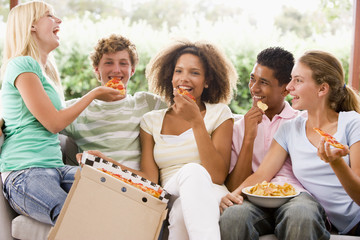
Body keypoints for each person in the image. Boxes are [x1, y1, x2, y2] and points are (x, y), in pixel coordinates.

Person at [81, 39, 238, 239]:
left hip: (212, 191)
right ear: (170, 77)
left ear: (207, 81)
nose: (184, 79)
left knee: (182, 210)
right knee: (190, 174)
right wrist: (108, 163)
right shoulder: (151, 121)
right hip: (170, 191)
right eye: (178, 71)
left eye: (195, 73)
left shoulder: (220, 114)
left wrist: (197, 122)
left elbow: (217, 176)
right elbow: (149, 179)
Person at [0, 1, 123, 226]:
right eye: (50, 16)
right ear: (31, 26)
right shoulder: (21, 65)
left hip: (55, 167)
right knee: (77, 221)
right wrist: (94, 94)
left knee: (121, 197)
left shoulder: (44, 73)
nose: (59, 21)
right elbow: (54, 123)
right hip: (26, 173)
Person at [221, 50, 360, 237]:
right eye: (291, 79)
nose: (289, 87)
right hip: (329, 219)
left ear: (322, 89)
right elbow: (262, 174)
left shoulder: (352, 123)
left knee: (301, 214)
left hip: (356, 220)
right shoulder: (289, 129)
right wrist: (234, 195)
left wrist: (337, 163)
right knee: (235, 216)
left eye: (298, 80)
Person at [63, 34, 167, 170]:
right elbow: (43, 122)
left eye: (123, 63)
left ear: (132, 70)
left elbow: (181, 111)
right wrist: (94, 95)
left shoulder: (146, 102)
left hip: (136, 185)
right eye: (108, 63)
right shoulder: (78, 108)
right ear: (96, 70)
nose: (116, 70)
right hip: (96, 181)